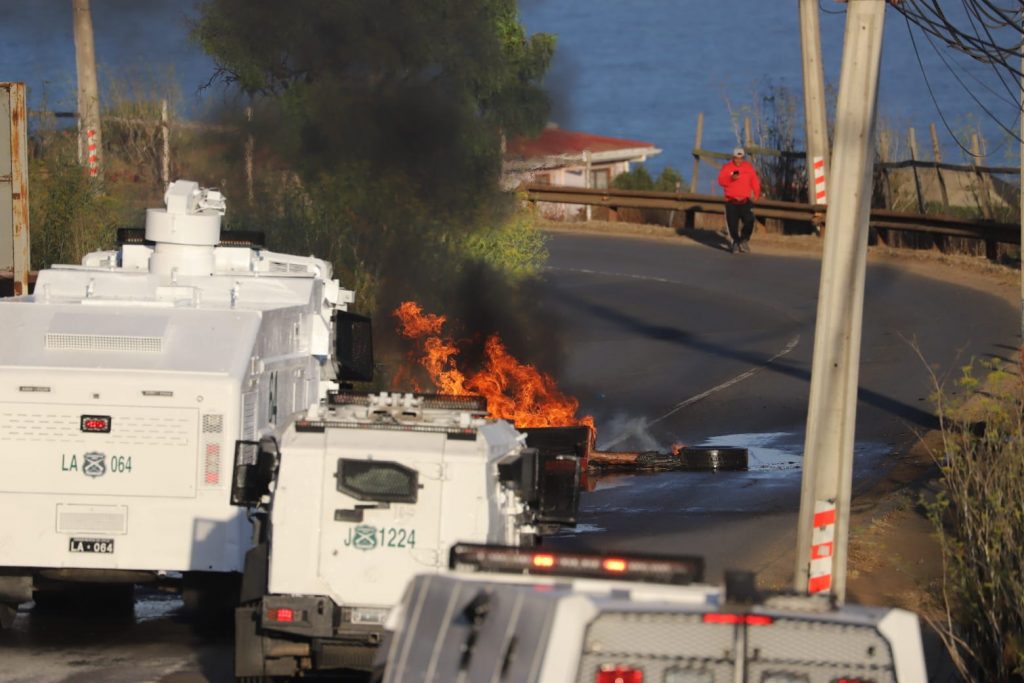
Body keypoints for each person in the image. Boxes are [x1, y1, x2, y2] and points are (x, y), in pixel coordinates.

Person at [717, 147, 762, 253]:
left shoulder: (748, 167)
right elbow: (721, 181)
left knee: (749, 221)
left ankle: (744, 240)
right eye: (737, 158)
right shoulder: (727, 168)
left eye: (741, 158)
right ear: (733, 158)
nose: (739, 160)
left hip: (745, 201)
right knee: (732, 224)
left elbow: (754, 180)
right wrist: (731, 178)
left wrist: (756, 193)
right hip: (731, 201)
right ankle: (735, 242)